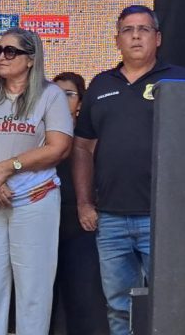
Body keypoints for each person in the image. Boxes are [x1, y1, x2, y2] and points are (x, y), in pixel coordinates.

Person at [72, 5, 185, 335]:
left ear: (158, 38)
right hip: (110, 217)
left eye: (143, 29)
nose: (136, 36)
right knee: (118, 307)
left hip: (166, 220)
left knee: (173, 305)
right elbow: (82, 147)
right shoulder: (100, 85)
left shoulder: (181, 80)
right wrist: (84, 203)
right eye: (128, 30)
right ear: (117, 40)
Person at [0, 27, 73, 335]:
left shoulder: (51, 95)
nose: (1, 57)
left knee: (33, 289)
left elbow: (59, 147)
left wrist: (9, 167)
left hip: (35, 198)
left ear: (31, 59)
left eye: (10, 51)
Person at [50, 72, 108, 335]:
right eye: (55, 94)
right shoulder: (40, 136)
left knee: (84, 298)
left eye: (68, 94)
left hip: (82, 225)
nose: (61, 100)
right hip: (44, 223)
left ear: (81, 103)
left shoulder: (90, 137)